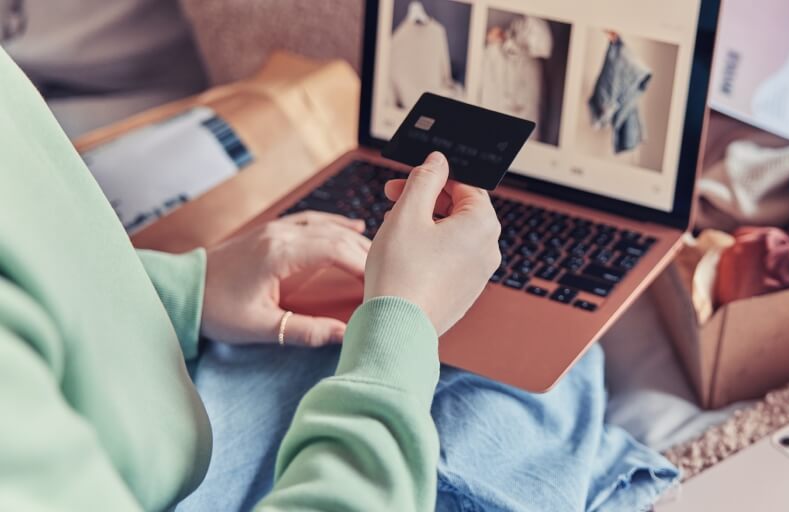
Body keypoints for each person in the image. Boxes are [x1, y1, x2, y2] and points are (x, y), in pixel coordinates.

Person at [0, 40, 682, 510]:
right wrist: (401, 332)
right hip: (171, 481)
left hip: (146, 391)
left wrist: (185, 289)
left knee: (514, 344)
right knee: (524, 382)